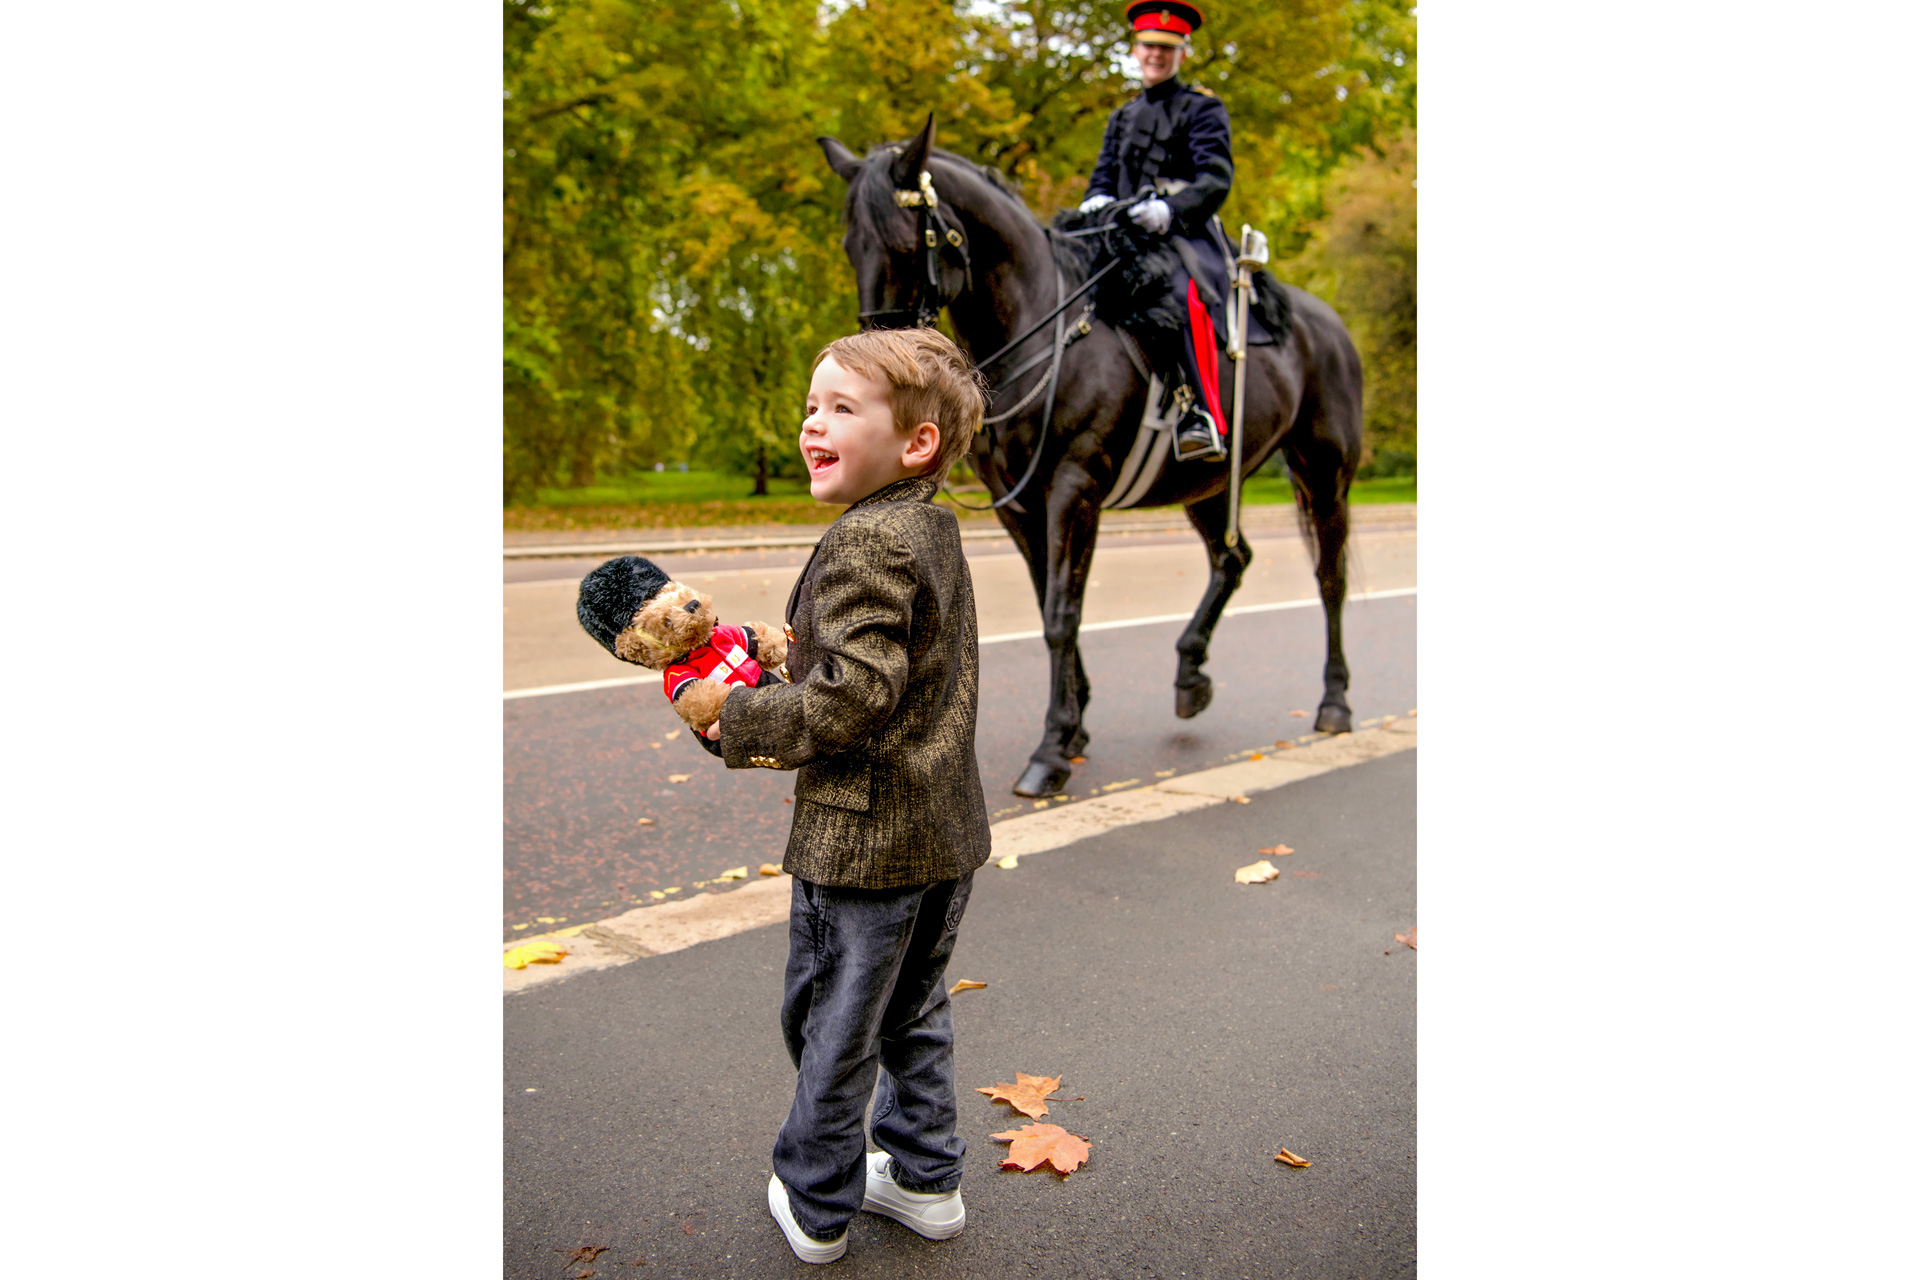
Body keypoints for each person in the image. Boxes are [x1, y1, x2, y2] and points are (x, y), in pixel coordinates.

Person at [702, 326, 993, 1264]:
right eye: (811, 404)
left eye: (840, 408)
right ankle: (923, 1176)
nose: (811, 424)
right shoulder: (928, 527)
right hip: (940, 830)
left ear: (916, 444)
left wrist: (737, 720)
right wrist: (782, 651)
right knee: (912, 1009)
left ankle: (817, 1202)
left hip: (863, 846)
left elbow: (856, 695)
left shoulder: (865, 541)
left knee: (830, 1016)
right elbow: (897, 662)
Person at [1080, 0, 1235, 462]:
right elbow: (1103, 177)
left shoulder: (1203, 108)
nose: (1156, 55)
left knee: (1182, 292)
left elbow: (1215, 177)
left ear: (1182, 51)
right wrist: (1097, 201)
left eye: (1166, 48)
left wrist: (1169, 209)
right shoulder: (1121, 117)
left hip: (1182, 233)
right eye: (1149, 45)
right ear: (1136, 48)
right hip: (1125, 234)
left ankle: (1198, 414)